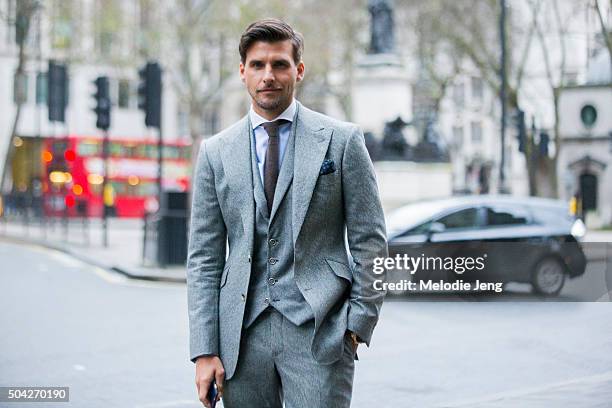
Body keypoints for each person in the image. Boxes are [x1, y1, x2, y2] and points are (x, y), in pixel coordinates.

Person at [186, 18, 388, 408]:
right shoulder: (215, 152)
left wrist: (358, 324)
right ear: (242, 71)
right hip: (240, 338)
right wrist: (204, 350)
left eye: (279, 64)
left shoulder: (341, 140)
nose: (269, 76)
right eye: (258, 65)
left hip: (321, 333)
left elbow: (371, 241)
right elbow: (204, 259)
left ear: (298, 70)